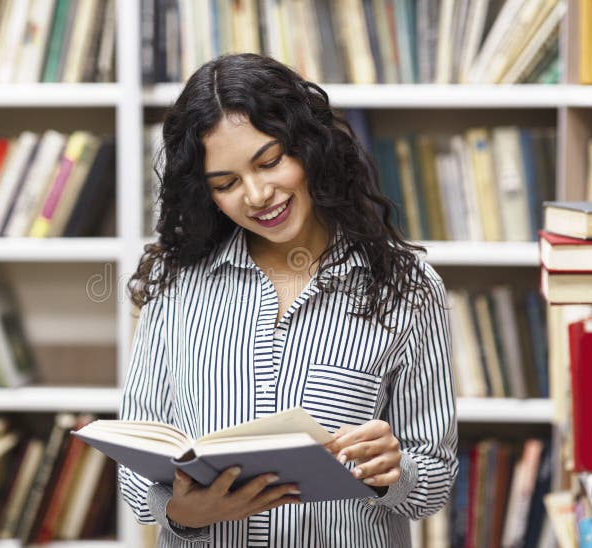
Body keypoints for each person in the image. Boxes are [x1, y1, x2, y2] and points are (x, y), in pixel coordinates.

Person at [119, 53, 457, 548]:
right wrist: (181, 511)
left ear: (310, 148)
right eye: (226, 184)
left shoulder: (408, 287)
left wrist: (396, 471)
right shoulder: (177, 284)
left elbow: (434, 480)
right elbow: (137, 469)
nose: (257, 195)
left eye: (270, 161)